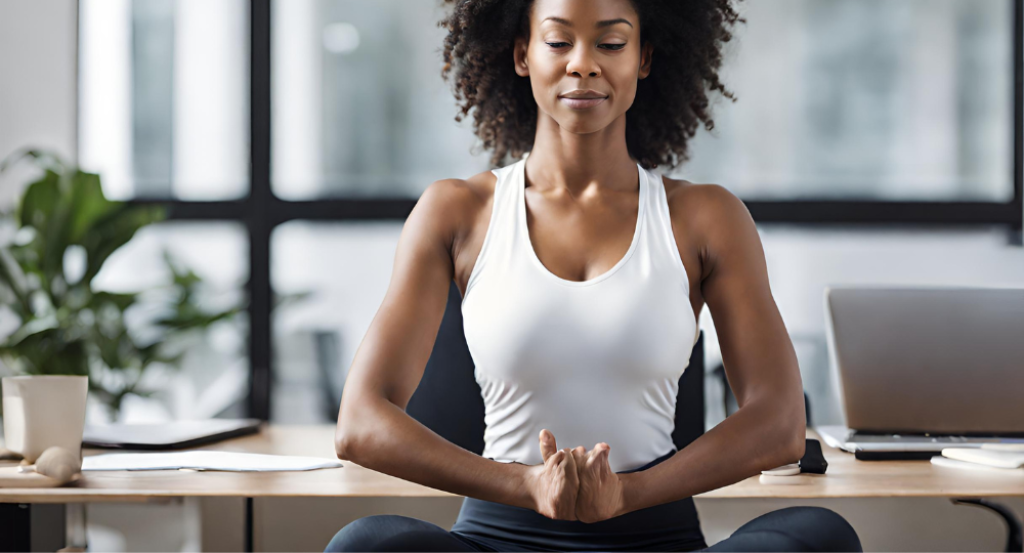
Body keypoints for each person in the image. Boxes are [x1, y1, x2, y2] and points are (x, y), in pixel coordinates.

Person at [326, 0, 863, 550]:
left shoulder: (707, 218)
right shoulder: (457, 211)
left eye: (610, 44)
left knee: (819, 537)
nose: (583, 64)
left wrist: (628, 493)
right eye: (559, 42)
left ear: (644, 58)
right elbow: (361, 423)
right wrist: (527, 486)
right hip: (496, 539)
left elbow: (778, 421)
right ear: (521, 55)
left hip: (657, 539)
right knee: (365, 544)